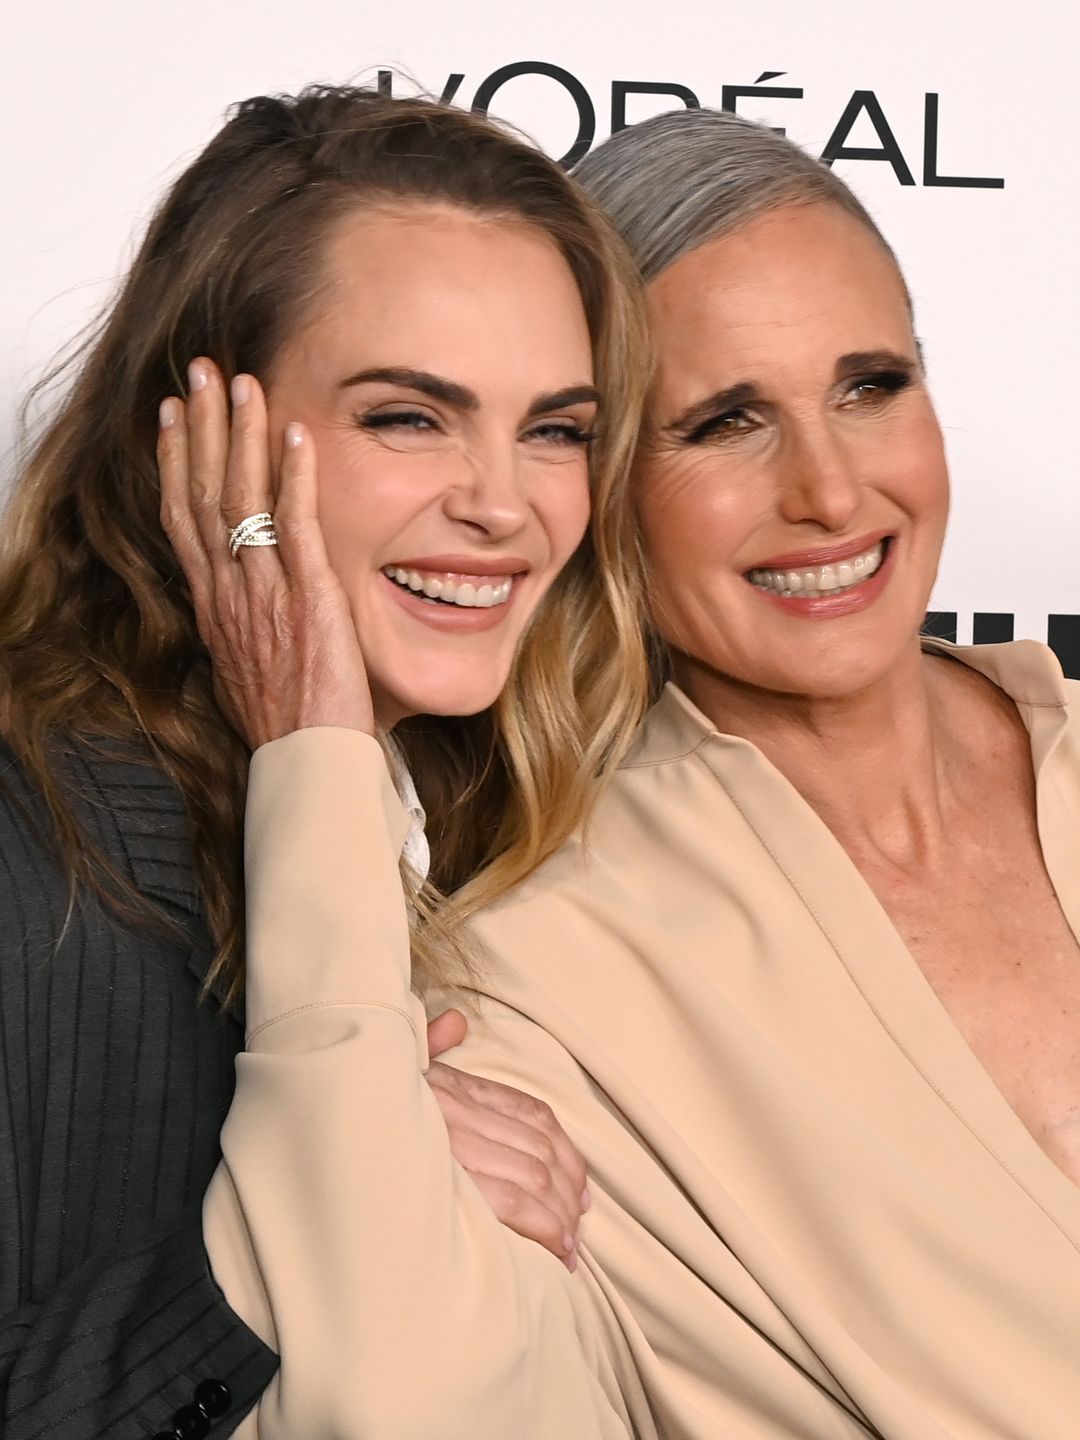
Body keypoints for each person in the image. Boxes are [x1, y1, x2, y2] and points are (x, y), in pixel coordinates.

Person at [0, 84, 649, 1438]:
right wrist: (330, 1192)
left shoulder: (478, 831)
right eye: (407, 416)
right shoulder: (43, 841)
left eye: (557, 429)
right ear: (189, 433)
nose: (501, 504)